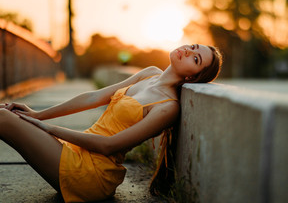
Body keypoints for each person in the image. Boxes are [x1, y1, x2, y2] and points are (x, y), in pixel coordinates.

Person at [0, 43, 222, 202]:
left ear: (192, 78)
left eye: (196, 59)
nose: (189, 51)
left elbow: (109, 145)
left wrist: (48, 128)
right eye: (194, 46)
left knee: (3, 118)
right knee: (5, 111)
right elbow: (93, 97)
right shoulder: (149, 73)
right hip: (76, 151)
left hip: (92, 174)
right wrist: (37, 116)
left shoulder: (168, 107)